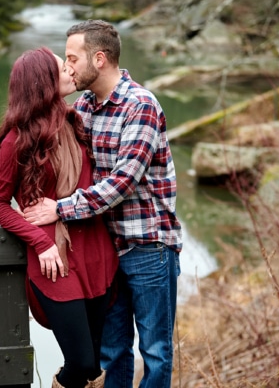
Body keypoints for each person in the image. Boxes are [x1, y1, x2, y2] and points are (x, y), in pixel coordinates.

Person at [22, 20, 183, 388]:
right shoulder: (84, 108)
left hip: (148, 247)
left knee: (156, 352)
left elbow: (121, 183)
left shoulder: (140, 105)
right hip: (105, 250)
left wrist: (58, 209)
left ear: (99, 58)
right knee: (113, 351)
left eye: (71, 58)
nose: (67, 67)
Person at [0, 46, 118, 388]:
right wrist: (40, 243)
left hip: (94, 249)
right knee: (80, 361)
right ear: (43, 83)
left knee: (95, 365)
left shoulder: (76, 123)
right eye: (63, 69)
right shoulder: (15, 142)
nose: (71, 72)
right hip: (54, 258)